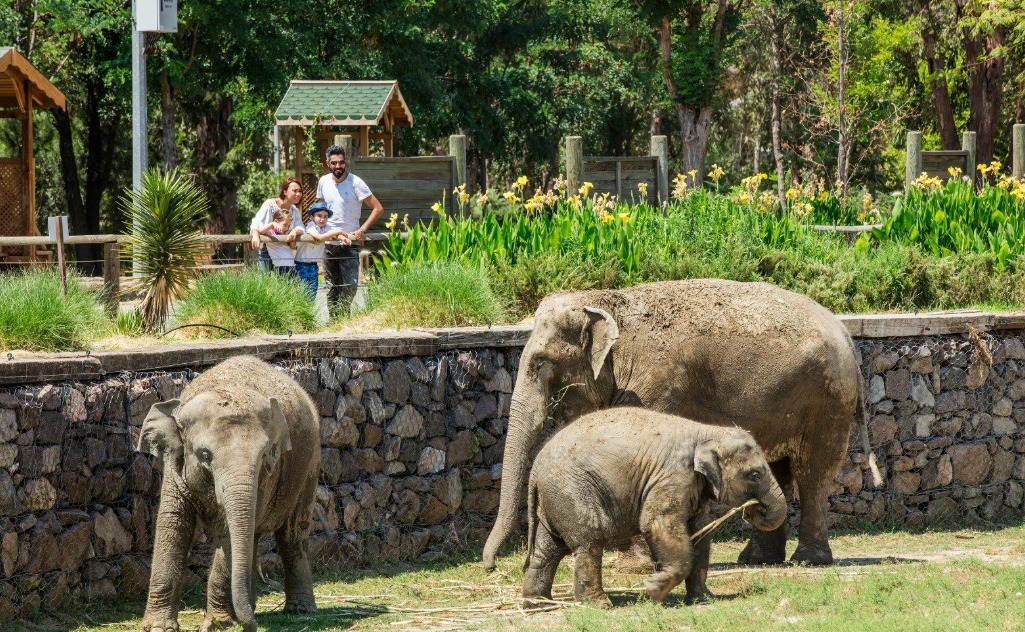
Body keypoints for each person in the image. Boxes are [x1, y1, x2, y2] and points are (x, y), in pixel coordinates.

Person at [316, 145, 385, 314]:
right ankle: (335, 322)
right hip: (330, 242)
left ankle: (343, 315)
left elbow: (378, 208)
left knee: (351, 286)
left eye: (341, 162)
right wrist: (315, 229)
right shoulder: (323, 181)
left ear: (345, 162)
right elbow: (318, 209)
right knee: (332, 287)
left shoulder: (356, 182)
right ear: (327, 163)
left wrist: (362, 229)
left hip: (349, 242)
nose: (338, 166)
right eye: (334, 163)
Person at [294, 201, 351, 299]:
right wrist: (338, 231)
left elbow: (334, 233)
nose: (322, 219)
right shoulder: (310, 226)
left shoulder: (326, 227)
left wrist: (343, 237)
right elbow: (320, 238)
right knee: (301, 293)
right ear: (312, 217)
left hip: (313, 265)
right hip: (301, 264)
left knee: (312, 293)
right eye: (319, 216)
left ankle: (309, 311)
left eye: (325, 216)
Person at [250, 177, 305, 271]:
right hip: (266, 249)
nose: (298, 194)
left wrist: (295, 231)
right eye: (295, 191)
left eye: (300, 191)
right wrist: (255, 235)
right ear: (285, 192)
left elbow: (301, 227)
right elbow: (256, 222)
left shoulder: (294, 210)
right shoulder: (270, 204)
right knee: (265, 281)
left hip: (283, 251)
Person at [255, 207, 298, 275]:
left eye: (289, 226)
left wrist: (293, 232)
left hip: (292, 265)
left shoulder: (287, 233)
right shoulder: (271, 233)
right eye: (285, 225)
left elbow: (293, 247)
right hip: (280, 266)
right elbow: (261, 231)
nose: (287, 228)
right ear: (276, 222)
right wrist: (272, 224)